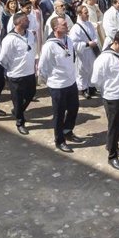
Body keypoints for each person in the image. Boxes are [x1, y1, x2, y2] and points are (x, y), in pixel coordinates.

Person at [38, 16, 83, 152]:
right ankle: (59, 140)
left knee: (74, 108)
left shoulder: (68, 39)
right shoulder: (49, 45)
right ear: (56, 28)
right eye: (64, 24)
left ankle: (68, 131)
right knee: (59, 114)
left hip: (70, 82)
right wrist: (50, 80)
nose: (67, 25)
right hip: (57, 85)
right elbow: (42, 66)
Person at [91, 29, 119, 171]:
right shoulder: (104, 58)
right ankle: (112, 155)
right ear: (116, 42)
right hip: (112, 97)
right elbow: (96, 80)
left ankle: (112, 144)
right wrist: (109, 88)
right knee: (114, 126)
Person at [0, 12, 37, 135]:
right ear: (19, 22)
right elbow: (3, 57)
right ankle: (20, 122)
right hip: (16, 74)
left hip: (30, 72)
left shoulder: (30, 35)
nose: (29, 21)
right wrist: (11, 68)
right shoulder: (9, 39)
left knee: (31, 94)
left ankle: (17, 111)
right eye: (26, 20)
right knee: (18, 99)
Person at [69, 4, 100, 99]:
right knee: (82, 71)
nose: (88, 15)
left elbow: (95, 35)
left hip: (92, 52)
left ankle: (91, 87)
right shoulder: (76, 28)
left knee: (92, 69)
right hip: (83, 53)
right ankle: (83, 89)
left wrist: (95, 41)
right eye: (85, 13)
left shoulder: (90, 24)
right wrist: (87, 44)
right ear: (79, 14)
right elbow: (73, 43)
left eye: (87, 13)